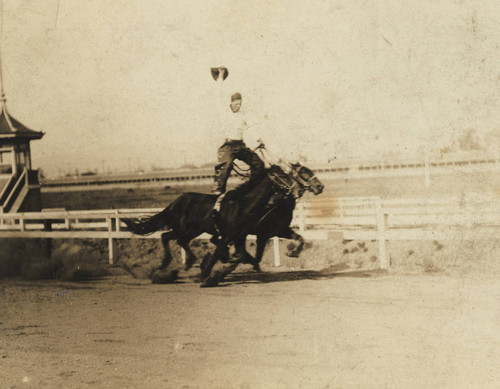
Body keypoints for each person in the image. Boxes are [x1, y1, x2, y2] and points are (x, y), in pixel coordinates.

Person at [211, 67, 265, 195]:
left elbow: (251, 126)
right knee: (225, 168)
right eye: (236, 104)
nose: (238, 106)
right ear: (231, 102)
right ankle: (217, 192)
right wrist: (220, 76)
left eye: (240, 104)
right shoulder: (223, 110)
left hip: (240, 145)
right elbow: (218, 93)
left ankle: (252, 188)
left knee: (258, 164)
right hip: (228, 146)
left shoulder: (244, 113)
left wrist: (258, 138)